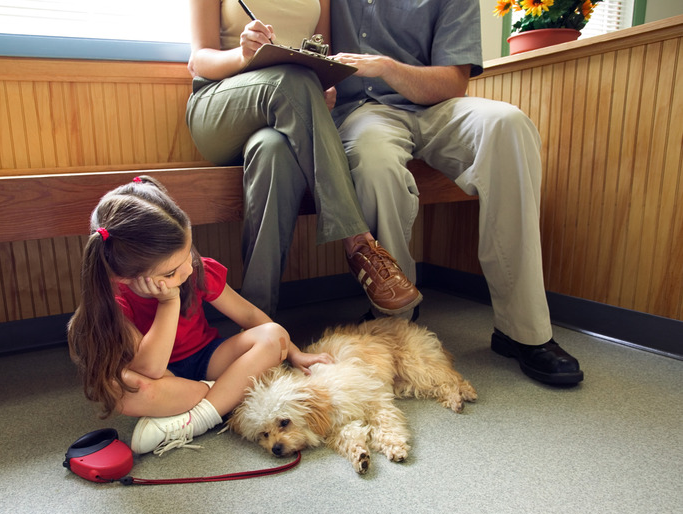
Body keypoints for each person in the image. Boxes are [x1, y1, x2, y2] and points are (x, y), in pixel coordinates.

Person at [328, 0, 583, 385]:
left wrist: (386, 67)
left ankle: (523, 331)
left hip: (437, 106)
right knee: (372, 156)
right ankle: (395, 317)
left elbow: (452, 83)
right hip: (363, 113)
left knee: (509, 124)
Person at [185, 0, 422, 319]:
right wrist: (244, 54)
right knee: (290, 79)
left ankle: (258, 323)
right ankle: (359, 243)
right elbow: (199, 59)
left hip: (284, 112)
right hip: (220, 105)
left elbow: (320, 57)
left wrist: (323, 87)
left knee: (273, 151)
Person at [67, 176, 332, 456]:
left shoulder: (196, 269)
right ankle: (225, 395)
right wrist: (168, 302)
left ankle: (195, 418)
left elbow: (251, 316)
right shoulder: (117, 300)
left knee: (274, 334)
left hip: (208, 359)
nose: (187, 271)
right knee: (118, 392)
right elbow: (151, 370)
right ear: (126, 277)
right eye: (170, 273)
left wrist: (293, 353)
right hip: (165, 379)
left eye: (187, 255)